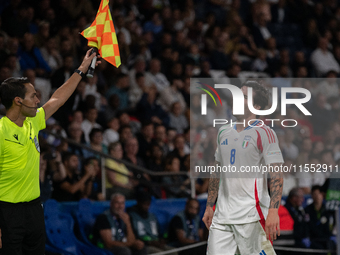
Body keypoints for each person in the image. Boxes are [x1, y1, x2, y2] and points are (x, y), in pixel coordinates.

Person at [0, 48, 98, 254]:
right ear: (18, 101)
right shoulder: (1, 131)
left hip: (34, 208)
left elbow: (58, 98)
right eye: (33, 96)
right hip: (7, 212)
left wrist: (81, 69)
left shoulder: (32, 122)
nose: (38, 100)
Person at [202, 81, 284, 255]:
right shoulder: (223, 131)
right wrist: (210, 206)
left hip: (251, 217)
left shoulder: (265, 133)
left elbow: (277, 175)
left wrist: (273, 211)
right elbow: (217, 171)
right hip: (222, 219)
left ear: (257, 106)